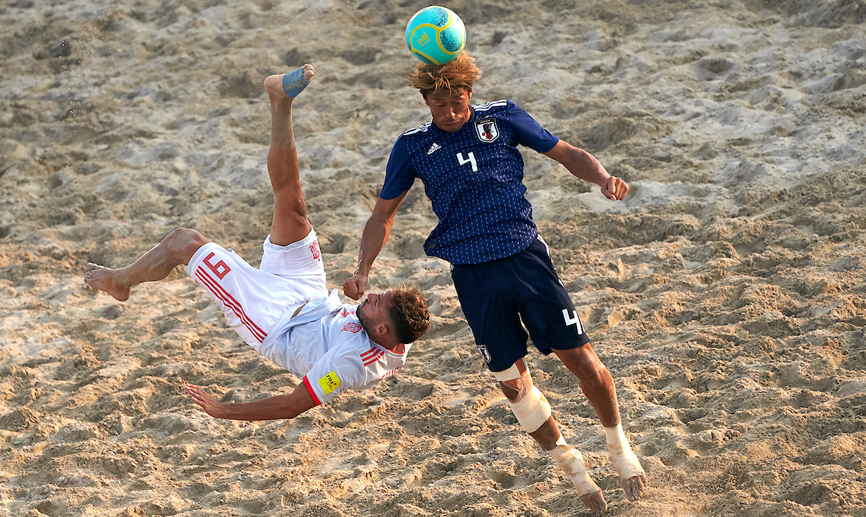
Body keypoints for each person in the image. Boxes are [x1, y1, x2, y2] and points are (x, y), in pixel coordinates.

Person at [342, 53, 645, 511]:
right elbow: (382, 214)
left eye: (457, 101)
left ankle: (621, 451)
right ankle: (573, 467)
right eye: (439, 103)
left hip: (526, 258)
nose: (450, 112)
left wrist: (602, 177)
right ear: (424, 100)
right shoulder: (411, 146)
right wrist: (363, 268)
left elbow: (567, 154)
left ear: (469, 94)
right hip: (473, 276)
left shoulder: (501, 117)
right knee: (512, 383)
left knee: (582, 361)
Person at [84, 64, 430, 422]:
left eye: (376, 303)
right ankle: (281, 101)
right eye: (380, 293)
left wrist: (223, 410)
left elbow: (293, 404)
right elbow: (376, 314)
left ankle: (119, 281)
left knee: (183, 242)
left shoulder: (350, 364)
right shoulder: (394, 335)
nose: (372, 295)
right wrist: (361, 273)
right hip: (311, 297)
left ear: (382, 330)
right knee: (292, 203)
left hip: (274, 321)